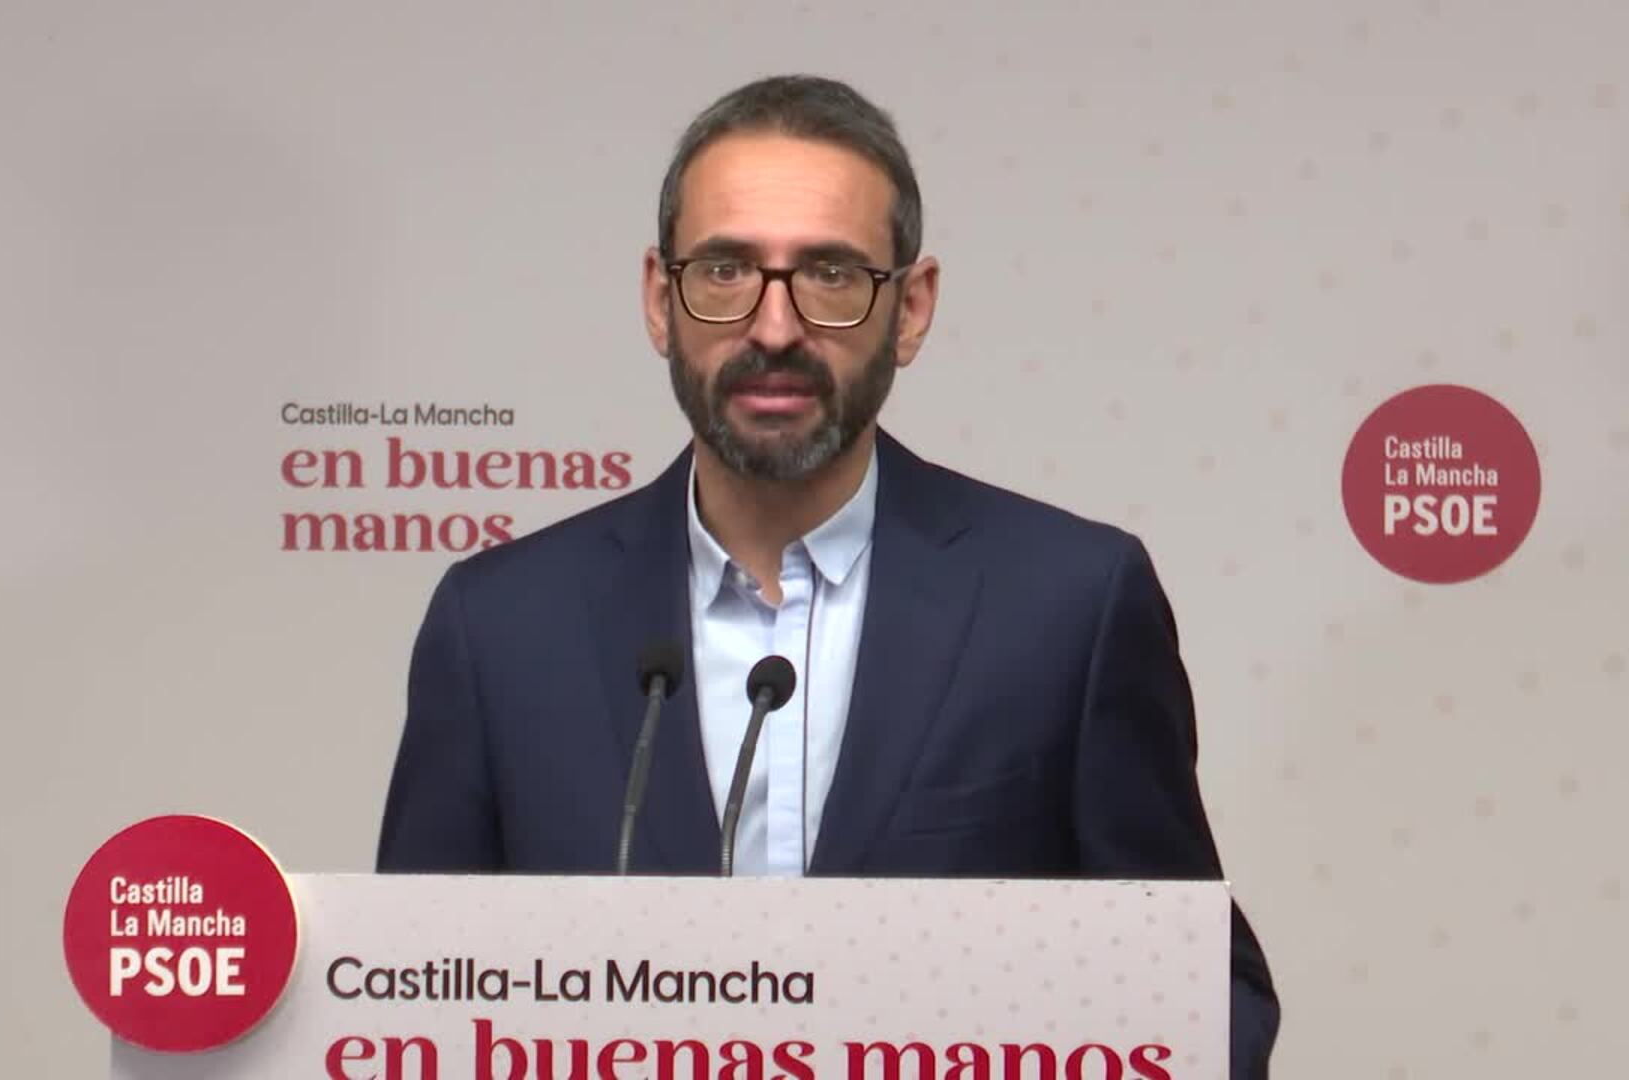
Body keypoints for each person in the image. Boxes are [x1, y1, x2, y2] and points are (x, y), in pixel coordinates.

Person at [378, 74, 1279, 1075]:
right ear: (659, 300)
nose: (774, 327)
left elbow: (1205, 993)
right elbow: (414, 995)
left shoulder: (1069, 604)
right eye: (725, 269)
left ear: (911, 309)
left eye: (832, 274)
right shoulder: (500, 628)